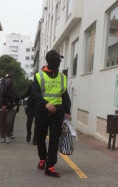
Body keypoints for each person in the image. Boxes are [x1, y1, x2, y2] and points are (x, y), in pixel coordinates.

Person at [33, 50, 71, 178]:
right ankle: (43, 158)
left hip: (57, 112)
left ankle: (50, 166)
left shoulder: (62, 77)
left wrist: (68, 111)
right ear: (49, 61)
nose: (59, 62)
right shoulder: (39, 76)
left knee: (54, 138)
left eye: (59, 60)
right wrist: (46, 104)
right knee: (40, 137)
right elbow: (35, 94)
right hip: (43, 111)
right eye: (56, 60)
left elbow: (65, 95)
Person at [0, 74, 20, 143]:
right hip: (1, 108)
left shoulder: (13, 89)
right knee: (2, 123)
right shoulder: (0, 88)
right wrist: (0, 105)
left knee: (9, 122)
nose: (8, 81)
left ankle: (8, 135)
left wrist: (10, 106)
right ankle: (2, 136)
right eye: (7, 79)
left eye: (9, 79)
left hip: (10, 108)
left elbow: (15, 98)